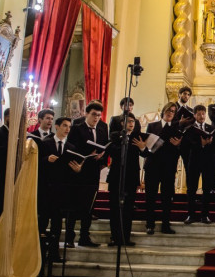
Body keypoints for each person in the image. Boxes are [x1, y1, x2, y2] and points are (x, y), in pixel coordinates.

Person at [39, 117, 83, 261]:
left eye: (69, 126)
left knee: (57, 225)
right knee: (42, 223)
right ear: (56, 127)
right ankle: (38, 254)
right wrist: (46, 160)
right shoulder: (45, 144)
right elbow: (35, 165)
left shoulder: (71, 147)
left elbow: (72, 172)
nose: (67, 129)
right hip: (46, 190)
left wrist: (77, 170)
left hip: (62, 192)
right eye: (64, 126)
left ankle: (54, 253)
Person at [66, 102, 109, 248]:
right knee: (73, 206)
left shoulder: (103, 130)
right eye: (93, 114)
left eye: (98, 115)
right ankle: (69, 237)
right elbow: (71, 147)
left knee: (88, 207)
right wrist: (85, 155)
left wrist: (101, 156)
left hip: (93, 172)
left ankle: (84, 236)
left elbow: (105, 149)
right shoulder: (77, 129)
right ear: (86, 113)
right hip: (78, 171)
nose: (96, 118)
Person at [142, 103, 182, 235]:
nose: (170, 113)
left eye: (173, 111)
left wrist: (177, 146)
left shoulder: (177, 128)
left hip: (168, 167)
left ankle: (165, 225)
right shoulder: (153, 126)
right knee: (150, 196)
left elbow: (179, 152)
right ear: (164, 111)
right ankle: (150, 224)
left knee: (167, 197)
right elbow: (147, 148)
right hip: (153, 165)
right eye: (168, 110)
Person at [107, 113, 147, 246]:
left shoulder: (137, 138)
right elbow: (112, 151)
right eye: (129, 121)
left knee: (128, 209)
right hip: (116, 176)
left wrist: (142, 147)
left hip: (131, 177)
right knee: (114, 208)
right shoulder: (115, 136)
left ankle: (125, 237)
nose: (131, 124)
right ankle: (114, 237)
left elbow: (146, 153)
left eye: (133, 122)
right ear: (122, 123)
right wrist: (125, 142)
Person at [184, 105, 215, 224]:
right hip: (194, 161)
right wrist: (201, 144)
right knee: (191, 189)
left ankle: (205, 215)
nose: (201, 116)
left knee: (207, 189)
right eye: (199, 114)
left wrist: (210, 143)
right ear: (194, 115)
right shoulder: (189, 128)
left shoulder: (210, 127)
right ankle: (190, 215)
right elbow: (187, 146)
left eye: (203, 114)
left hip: (208, 162)